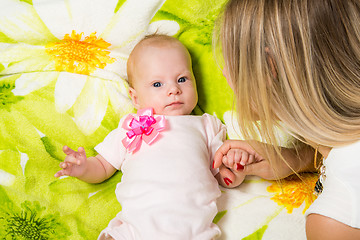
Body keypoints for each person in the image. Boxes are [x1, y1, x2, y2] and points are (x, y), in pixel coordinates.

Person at [54, 34, 250, 239]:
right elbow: (103, 166)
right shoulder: (130, 125)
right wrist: (84, 168)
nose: (174, 90)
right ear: (135, 97)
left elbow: (223, 175)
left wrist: (236, 166)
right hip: (134, 227)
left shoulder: (206, 125)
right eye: (158, 84)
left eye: (182, 79)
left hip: (191, 227)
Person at [213, 0, 360, 239]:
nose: (225, 73)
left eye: (233, 60)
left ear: (269, 68)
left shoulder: (336, 222)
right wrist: (297, 159)